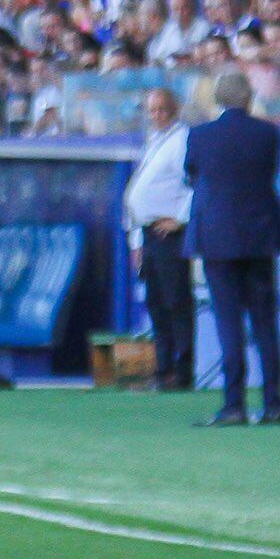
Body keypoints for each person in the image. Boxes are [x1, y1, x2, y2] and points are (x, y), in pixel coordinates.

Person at [184, 69, 280, 427]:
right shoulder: (267, 133)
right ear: (248, 98)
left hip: (217, 236)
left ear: (217, 99)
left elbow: (192, 173)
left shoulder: (200, 136)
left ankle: (234, 404)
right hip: (259, 233)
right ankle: (274, 402)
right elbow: (269, 172)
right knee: (265, 321)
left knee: (228, 321)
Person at [124, 87, 193, 390]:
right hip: (149, 233)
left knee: (175, 300)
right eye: (151, 110)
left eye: (161, 109)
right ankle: (163, 366)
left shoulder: (182, 141)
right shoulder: (155, 141)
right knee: (155, 302)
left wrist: (181, 217)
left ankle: (182, 368)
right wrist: (136, 241)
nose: (156, 115)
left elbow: (192, 183)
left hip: (169, 234)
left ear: (174, 109)